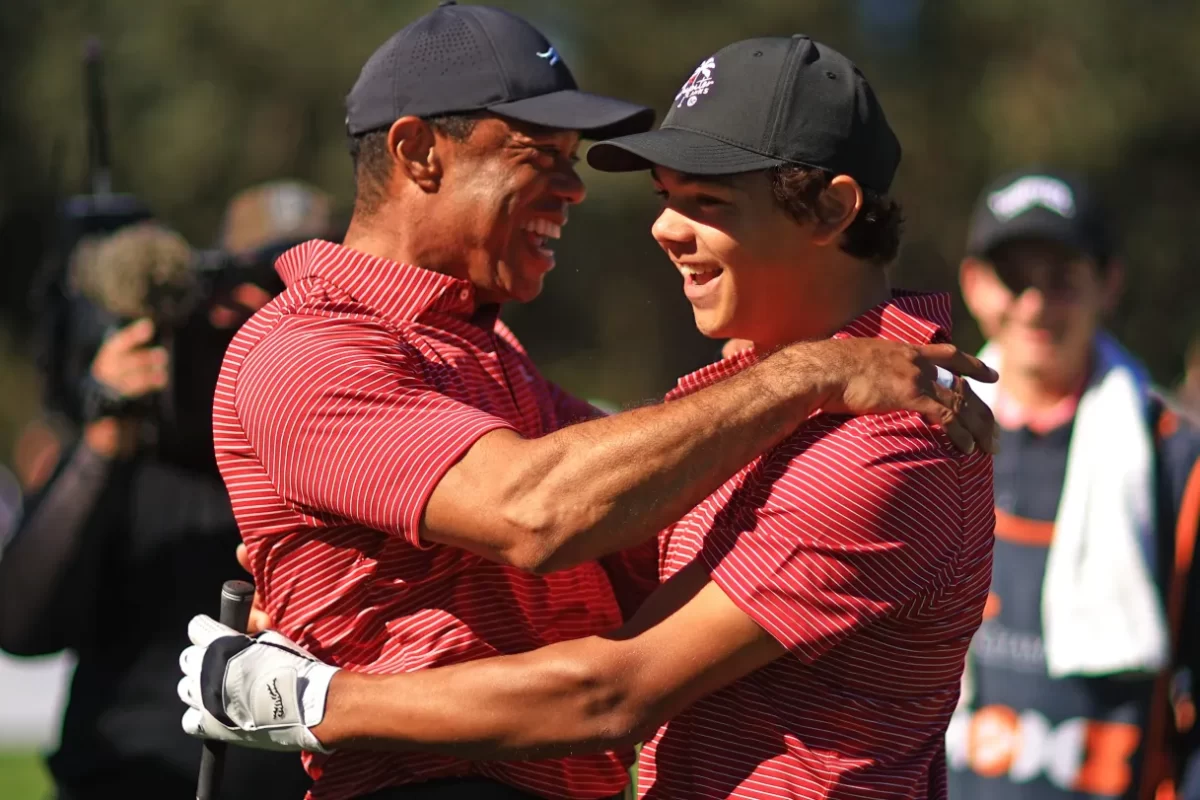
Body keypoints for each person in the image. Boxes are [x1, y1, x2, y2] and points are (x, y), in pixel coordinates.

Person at [179, 33, 997, 800]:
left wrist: (310, 698)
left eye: (707, 201)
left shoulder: (890, 437)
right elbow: (556, 516)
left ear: (830, 210)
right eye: (541, 155)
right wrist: (342, 598)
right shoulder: (781, 396)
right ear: (416, 153)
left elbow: (610, 685)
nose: (662, 228)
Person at [0, 222, 313, 798]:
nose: (233, 349)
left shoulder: (328, 466)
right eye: (218, 325)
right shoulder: (129, 460)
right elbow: (21, 627)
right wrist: (107, 429)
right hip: (126, 775)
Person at [940, 169, 1200, 799]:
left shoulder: (1175, 461)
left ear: (1109, 284)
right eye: (1015, 279)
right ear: (974, 285)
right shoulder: (920, 442)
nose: (1034, 304)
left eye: (1061, 280)